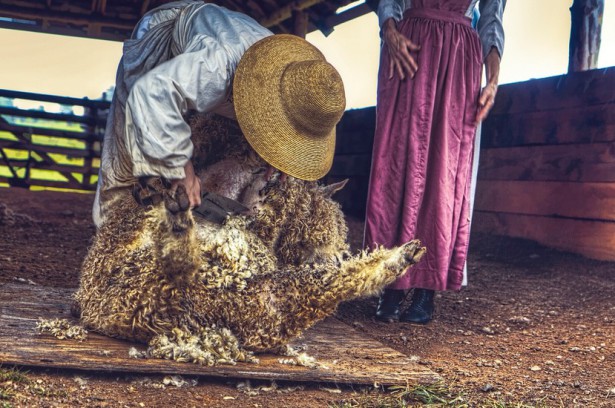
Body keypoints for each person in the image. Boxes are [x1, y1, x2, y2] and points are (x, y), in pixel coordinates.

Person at [92, 0, 346, 227]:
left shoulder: (296, 85)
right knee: (126, 155)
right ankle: (111, 237)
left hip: (217, 60)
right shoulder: (217, 67)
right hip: (163, 38)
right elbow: (152, 93)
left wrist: (278, 160)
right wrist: (182, 170)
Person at [364, 0, 506, 323]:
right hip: (409, 49)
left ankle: (427, 287)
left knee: (445, 168)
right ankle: (392, 281)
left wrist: (493, 80)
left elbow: (491, 19)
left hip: (458, 57)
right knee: (397, 163)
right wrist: (389, 31)